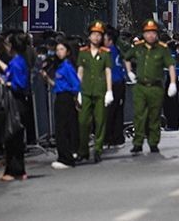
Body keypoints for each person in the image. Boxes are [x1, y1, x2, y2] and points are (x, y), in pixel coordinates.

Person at [124, 20, 178, 155]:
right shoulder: (138, 47)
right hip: (140, 86)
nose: (150, 36)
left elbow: (171, 65)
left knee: (154, 116)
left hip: (156, 87)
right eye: (148, 33)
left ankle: (153, 143)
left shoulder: (162, 48)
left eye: (153, 33)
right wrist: (130, 72)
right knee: (139, 116)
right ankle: (138, 143)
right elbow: (127, 58)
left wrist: (172, 83)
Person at [0, 32, 30, 181]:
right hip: (17, 101)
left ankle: (15, 171)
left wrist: (6, 83)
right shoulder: (18, 61)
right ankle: (14, 170)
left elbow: (19, 84)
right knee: (14, 136)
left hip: (15, 102)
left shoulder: (17, 62)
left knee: (12, 136)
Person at [76, 21, 113, 163]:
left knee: (100, 121)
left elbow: (108, 72)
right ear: (89, 36)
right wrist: (77, 90)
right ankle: (83, 150)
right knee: (83, 122)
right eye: (94, 34)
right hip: (85, 91)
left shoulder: (105, 53)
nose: (96, 37)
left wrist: (109, 91)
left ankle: (97, 149)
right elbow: (80, 72)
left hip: (100, 91)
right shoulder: (83, 52)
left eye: (99, 35)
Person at [40, 39, 80, 169]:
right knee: (61, 129)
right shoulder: (60, 66)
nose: (59, 52)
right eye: (57, 50)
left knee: (62, 129)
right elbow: (58, 85)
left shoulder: (67, 67)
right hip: (60, 96)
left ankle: (66, 159)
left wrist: (76, 98)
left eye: (62, 49)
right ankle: (64, 156)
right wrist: (46, 78)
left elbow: (75, 84)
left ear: (67, 51)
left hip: (66, 99)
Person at [104, 27, 126, 147]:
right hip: (119, 83)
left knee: (110, 112)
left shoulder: (108, 51)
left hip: (112, 84)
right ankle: (116, 138)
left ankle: (110, 137)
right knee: (117, 111)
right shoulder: (116, 49)